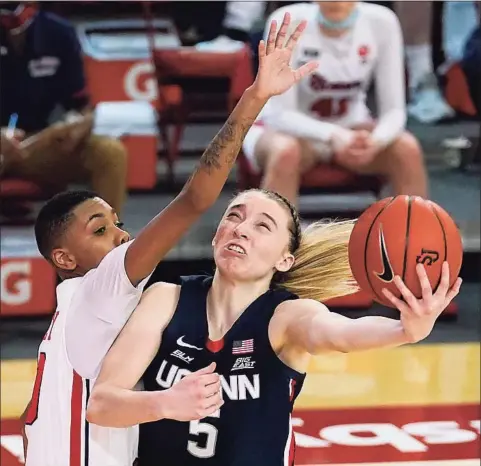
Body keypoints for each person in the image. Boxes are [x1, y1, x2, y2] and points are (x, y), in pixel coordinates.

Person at [21, 13, 317, 466]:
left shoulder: (73, 315)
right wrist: (254, 99)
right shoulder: (101, 288)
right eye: (99, 231)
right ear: (64, 258)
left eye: (117, 222)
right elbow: (196, 196)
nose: (121, 235)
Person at [87, 188, 461, 465]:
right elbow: (101, 405)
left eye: (262, 226)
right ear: (217, 234)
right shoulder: (166, 299)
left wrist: (405, 331)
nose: (241, 229)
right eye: (233, 216)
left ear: (285, 259)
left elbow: (340, 334)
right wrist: (164, 402)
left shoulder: (286, 318)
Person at [242, 1, 428, 205]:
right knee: (286, 152)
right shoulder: (287, 20)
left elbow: (394, 111)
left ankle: (412, 232)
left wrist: (376, 141)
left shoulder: (382, 21)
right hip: (285, 130)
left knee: (407, 148)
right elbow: (279, 114)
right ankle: (275, 234)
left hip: (350, 128)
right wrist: (333, 135)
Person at [0, 1, 127, 213]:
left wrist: (77, 127)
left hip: (34, 145)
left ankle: (107, 242)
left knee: (110, 153)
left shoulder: (58, 33)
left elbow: (81, 107)